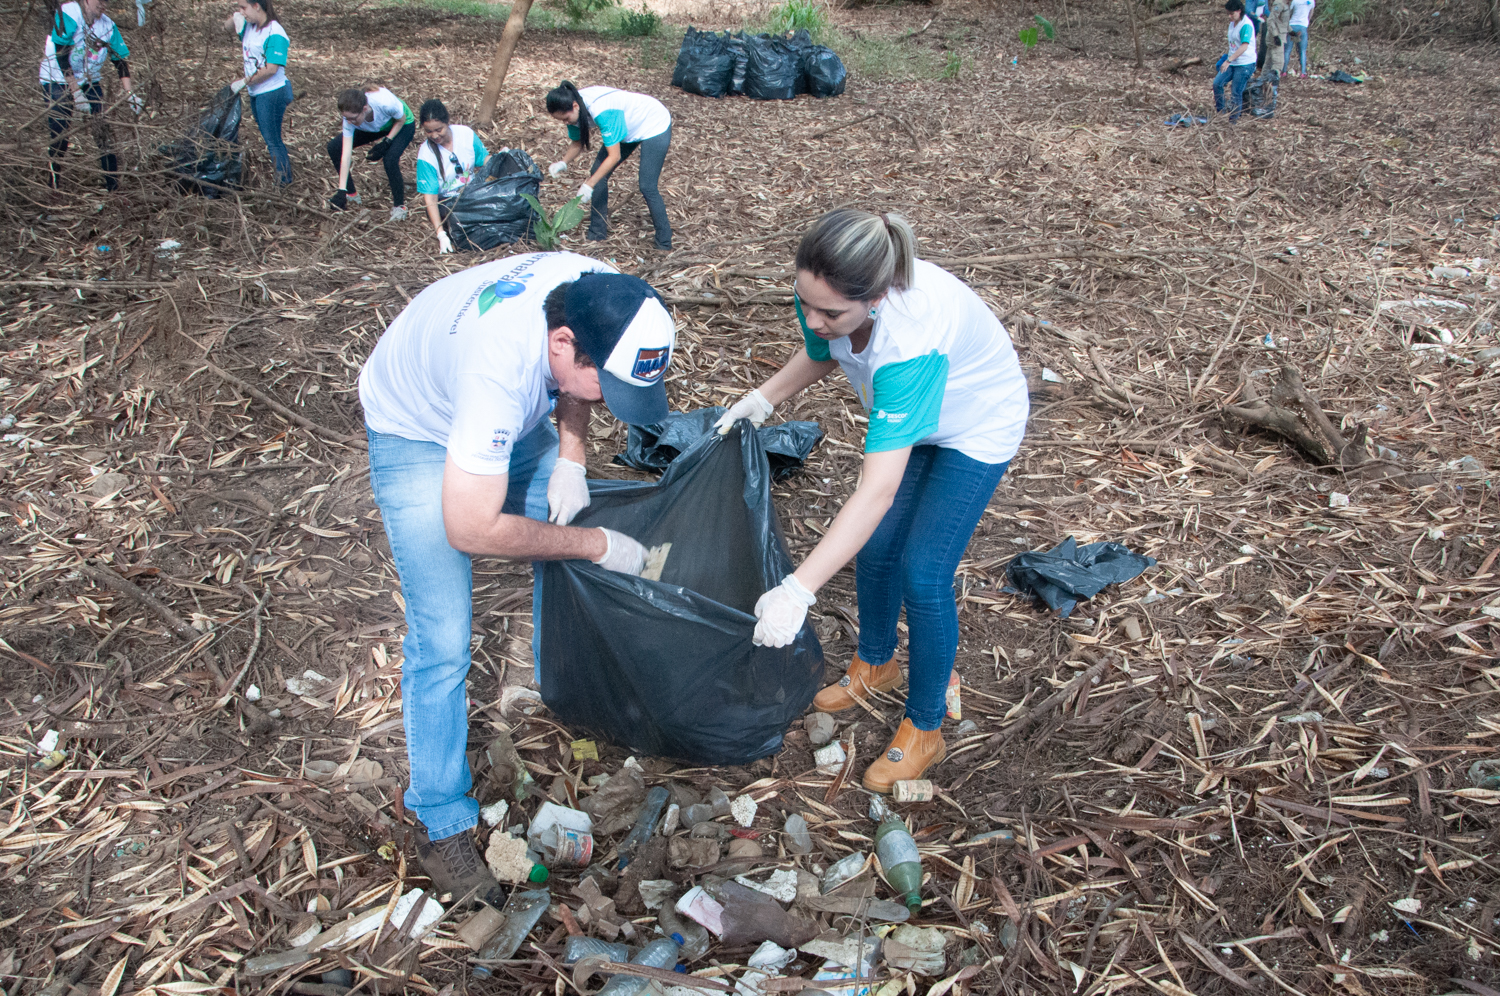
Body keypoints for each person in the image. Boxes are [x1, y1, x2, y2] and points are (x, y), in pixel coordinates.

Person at [358, 252, 677, 895]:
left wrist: (572, 456)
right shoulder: (497, 376)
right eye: (606, 389)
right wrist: (588, 544)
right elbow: (469, 529)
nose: (610, 403)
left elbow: (574, 386)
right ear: (562, 344)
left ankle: (561, 682)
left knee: (566, 514)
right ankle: (438, 816)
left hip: (504, 397)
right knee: (442, 638)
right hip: (417, 425)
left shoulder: (603, 294)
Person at [716, 210, 1028, 793]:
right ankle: (877, 664)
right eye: (805, 302)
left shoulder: (909, 342)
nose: (813, 318)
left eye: (829, 312)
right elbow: (822, 349)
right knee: (878, 550)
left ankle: (927, 725)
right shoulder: (825, 290)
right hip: (918, 419)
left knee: (924, 570)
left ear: (878, 296)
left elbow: (877, 489)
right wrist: (762, 398)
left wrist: (797, 590)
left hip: (974, 426)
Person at [545, 81, 673, 251]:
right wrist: (563, 162)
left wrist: (588, 185)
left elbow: (614, 157)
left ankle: (664, 243)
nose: (566, 123)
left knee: (647, 185)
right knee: (596, 174)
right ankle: (597, 234)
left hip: (653, 124)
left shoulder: (603, 111)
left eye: (566, 119)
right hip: (627, 128)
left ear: (575, 106)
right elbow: (577, 142)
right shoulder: (574, 107)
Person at [40, 0, 139, 191]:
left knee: (103, 130)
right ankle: (53, 186)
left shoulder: (107, 26)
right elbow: (61, 55)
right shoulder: (68, 13)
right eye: (99, 0)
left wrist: (130, 94)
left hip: (89, 79)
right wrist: (76, 92)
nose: (104, 4)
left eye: (106, 1)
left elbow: (120, 61)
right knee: (60, 134)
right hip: (57, 78)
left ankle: (113, 187)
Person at [225, 0, 292, 186]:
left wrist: (245, 81)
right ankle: (282, 177)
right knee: (268, 136)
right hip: (256, 91)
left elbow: (271, 69)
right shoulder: (250, 27)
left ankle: (284, 181)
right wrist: (236, 17)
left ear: (257, 6)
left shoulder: (275, 33)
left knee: (273, 140)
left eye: (244, 8)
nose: (242, 12)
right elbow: (226, 27)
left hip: (272, 92)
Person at [329, 85, 416, 220]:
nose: (349, 122)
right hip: (376, 127)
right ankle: (351, 194)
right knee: (334, 147)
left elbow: (401, 120)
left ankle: (400, 206)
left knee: (390, 159)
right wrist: (341, 189)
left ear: (364, 109)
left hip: (402, 124)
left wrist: (387, 141)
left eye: (353, 118)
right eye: (346, 118)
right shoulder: (350, 120)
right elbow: (345, 154)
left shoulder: (385, 103)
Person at [415, 99, 488, 254]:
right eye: (429, 132)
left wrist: (501, 161)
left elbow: (485, 160)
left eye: (439, 129)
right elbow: (431, 199)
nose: (434, 135)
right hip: (449, 203)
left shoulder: (465, 134)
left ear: (447, 122)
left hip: (473, 192)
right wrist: (440, 234)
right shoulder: (426, 155)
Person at [1213, 0, 1257, 122]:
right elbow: (1233, 44)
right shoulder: (1232, 24)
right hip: (1232, 61)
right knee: (1217, 83)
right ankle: (1220, 113)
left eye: (1232, 14)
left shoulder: (1246, 25)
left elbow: (1244, 46)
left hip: (1245, 63)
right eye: (1228, 13)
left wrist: (1229, 60)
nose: (1229, 16)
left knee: (1236, 92)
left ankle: (1233, 119)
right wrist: (1226, 59)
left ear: (1239, 11)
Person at [1286, 0, 1314, 76]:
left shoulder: (1295, 1)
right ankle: (1303, 72)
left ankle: (1284, 71)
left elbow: (1289, 13)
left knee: (1288, 50)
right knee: (1302, 51)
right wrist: (1306, 21)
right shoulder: (1311, 1)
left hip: (1292, 26)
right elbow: (1310, 14)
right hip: (1302, 27)